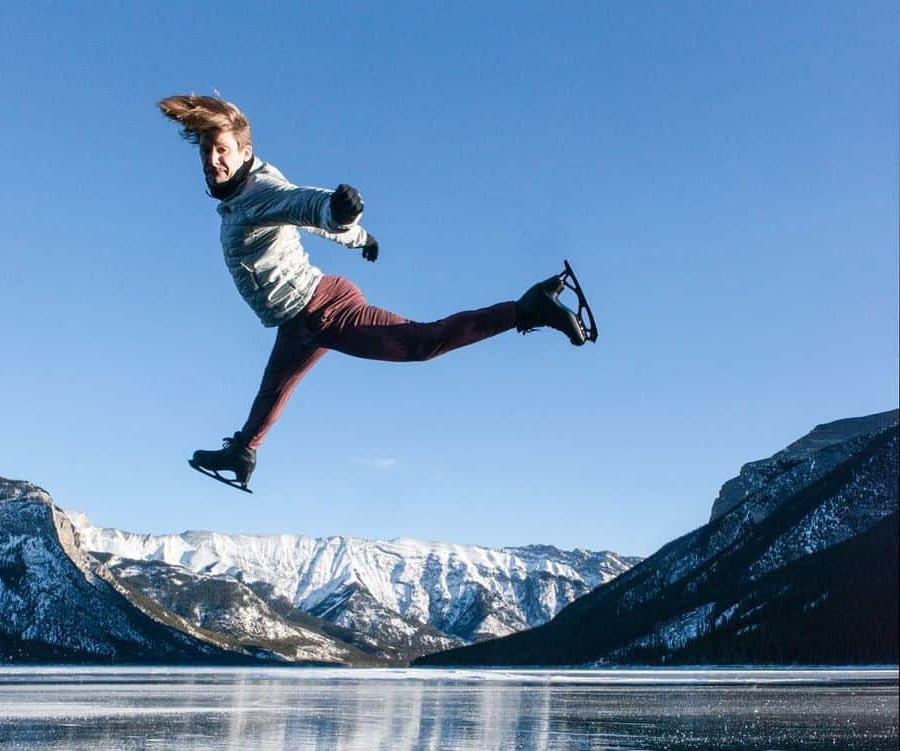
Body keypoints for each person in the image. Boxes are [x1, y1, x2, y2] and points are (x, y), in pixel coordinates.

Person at [157, 94, 596, 493]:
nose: (213, 160)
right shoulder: (241, 198)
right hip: (296, 323)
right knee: (271, 393)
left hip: (325, 309)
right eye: (207, 151)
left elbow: (306, 205)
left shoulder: (260, 191)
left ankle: (528, 308)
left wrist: (340, 211)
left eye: (222, 151)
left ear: (244, 153)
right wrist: (360, 237)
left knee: (423, 343)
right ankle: (242, 452)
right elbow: (303, 218)